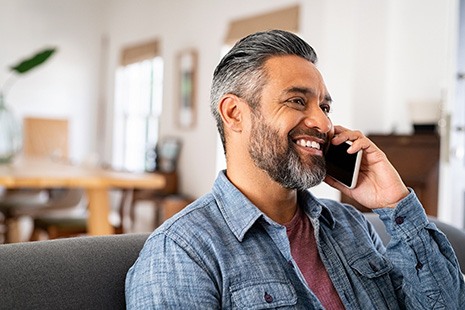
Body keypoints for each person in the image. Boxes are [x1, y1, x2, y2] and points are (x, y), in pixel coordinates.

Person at [125, 29, 465, 309]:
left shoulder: (351, 226)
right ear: (234, 113)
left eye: (325, 106)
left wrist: (394, 203)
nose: (322, 122)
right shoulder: (182, 252)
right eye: (297, 101)